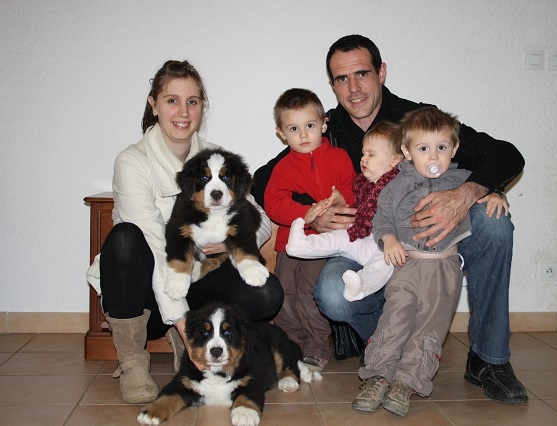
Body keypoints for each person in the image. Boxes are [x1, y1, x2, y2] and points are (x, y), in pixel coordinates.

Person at [252, 34, 527, 403]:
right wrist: (315, 212)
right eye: (342, 78)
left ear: (381, 72)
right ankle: (386, 345)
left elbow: (505, 154)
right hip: (367, 243)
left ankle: (489, 360)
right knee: (333, 293)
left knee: (494, 225)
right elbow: (264, 180)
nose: (354, 88)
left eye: (362, 74)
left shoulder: (417, 118)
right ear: (332, 85)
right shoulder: (325, 130)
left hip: (428, 241)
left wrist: (469, 192)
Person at [85, 60, 283, 404]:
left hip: (197, 281)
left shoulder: (217, 159)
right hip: (146, 293)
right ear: (154, 104)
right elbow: (158, 248)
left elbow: (259, 218)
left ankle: (198, 333)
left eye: (193, 101)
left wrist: (231, 242)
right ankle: (132, 359)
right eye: (172, 100)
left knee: (267, 293)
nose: (183, 111)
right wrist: (182, 324)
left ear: (202, 107)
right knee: (125, 239)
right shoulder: (132, 162)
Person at [352, 107, 508, 416]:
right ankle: (377, 376)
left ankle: (407, 382)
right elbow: (381, 219)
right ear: (407, 152)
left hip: (444, 270)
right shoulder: (396, 185)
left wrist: (494, 193)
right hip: (406, 267)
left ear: (454, 149)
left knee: (429, 328)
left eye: (441, 148)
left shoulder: (463, 181)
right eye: (423, 149)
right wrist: (389, 239)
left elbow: (484, 188)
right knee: (394, 320)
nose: (433, 156)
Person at [264, 88, 356, 371]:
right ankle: (289, 345)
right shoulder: (283, 167)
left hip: (322, 244)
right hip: (289, 245)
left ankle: (316, 347)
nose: (303, 135)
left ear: (324, 124)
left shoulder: (340, 158)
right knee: (284, 294)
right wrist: (304, 214)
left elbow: (353, 192)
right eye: (294, 128)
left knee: (308, 294)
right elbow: (273, 204)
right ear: (281, 133)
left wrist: (342, 198)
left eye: (310, 126)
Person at [285, 121, 403, 301]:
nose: (363, 159)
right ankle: (302, 246)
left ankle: (361, 286)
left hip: (387, 243)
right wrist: (342, 200)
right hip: (363, 239)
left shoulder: (400, 184)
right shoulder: (362, 183)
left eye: (371, 154)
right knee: (339, 237)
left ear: (394, 160)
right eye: (363, 153)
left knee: (385, 261)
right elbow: (354, 205)